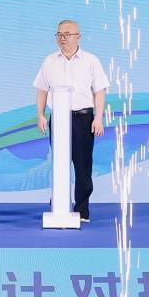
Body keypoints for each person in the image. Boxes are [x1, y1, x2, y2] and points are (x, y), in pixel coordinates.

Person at [33, 19, 108, 222]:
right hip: (58, 118)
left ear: (78, 37)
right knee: (59, 162)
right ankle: (59, 203)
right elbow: (42, 90)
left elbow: (100, 91)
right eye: (59, 34)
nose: (62, 38)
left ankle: (82, 208)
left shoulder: (90, 60)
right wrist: (40, 114)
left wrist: (98, 118)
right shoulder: (50, 61)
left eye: (67, 34)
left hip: (83, 118)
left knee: (83, 165)